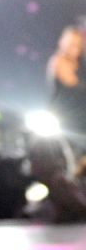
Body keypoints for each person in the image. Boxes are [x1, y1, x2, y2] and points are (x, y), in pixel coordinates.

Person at [46, 25, 86, 155]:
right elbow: (72, 85)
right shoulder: (59, 60)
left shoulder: (81, 65)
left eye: (77, 44)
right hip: (65, 118)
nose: (74, 47)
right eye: (71, 43)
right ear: (63, 43)